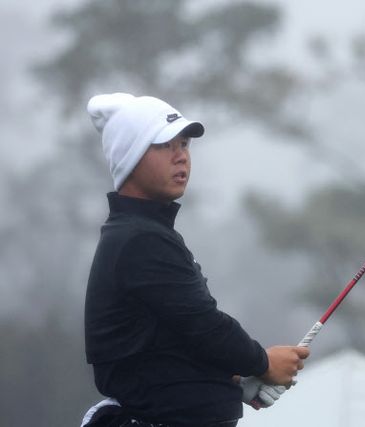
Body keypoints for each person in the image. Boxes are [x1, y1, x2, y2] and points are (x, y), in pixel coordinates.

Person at [81, 93, 309, 427]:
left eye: (184, 145)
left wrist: (232, 378)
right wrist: (262, 363)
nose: (181, 157)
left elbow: (174, 342)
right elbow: (204, 325)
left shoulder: (146, 234)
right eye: (164, 146)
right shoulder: (140, 239)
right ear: (130, 157)